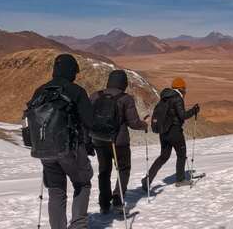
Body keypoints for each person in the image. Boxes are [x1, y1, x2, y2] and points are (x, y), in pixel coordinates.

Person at [28, 54, 95, 229]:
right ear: (72, 71)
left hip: (44, 150)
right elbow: (90, 122)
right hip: (70, 149)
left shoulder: (40, 90)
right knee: (82, 182)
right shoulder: (76, 91)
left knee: (56, 191)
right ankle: (78, 225)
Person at [90, 70, 148, 214]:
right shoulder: (126, 99)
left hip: (99, 140)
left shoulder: (95, 96)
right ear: (124, 83)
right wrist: (144, 125)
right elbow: (133, 123)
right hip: (119, 141)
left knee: (104, 171)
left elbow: (88, 119)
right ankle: (118, 198)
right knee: (123, 169)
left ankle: (104, 203)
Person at [142, 77, 200, 188]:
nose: (185, 91)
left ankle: (147, 180)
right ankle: (180, 180)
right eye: (184, 88)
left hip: (163, 132)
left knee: (163, 157)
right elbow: (182, 116)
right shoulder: (177, 98)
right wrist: (194, 110)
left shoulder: (164, 97)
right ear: (181, 88)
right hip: (175, 131)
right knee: (181, 155)